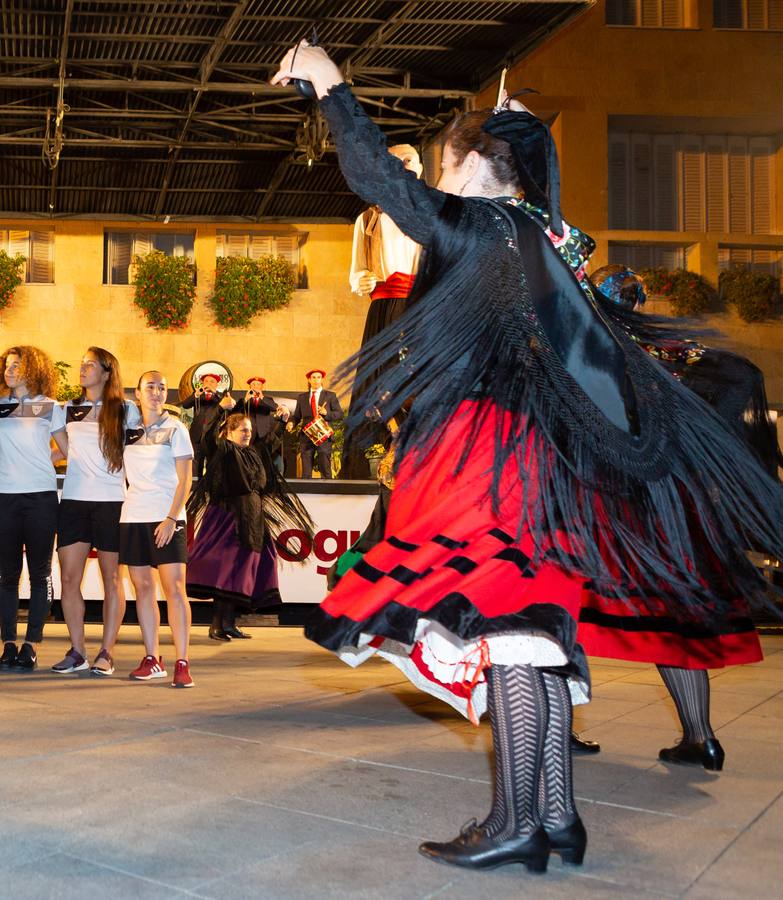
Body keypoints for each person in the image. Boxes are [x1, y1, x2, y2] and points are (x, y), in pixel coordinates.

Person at [274, 40, 783, 873]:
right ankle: (551, 816)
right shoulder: (538, 244)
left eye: (448, 159)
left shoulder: (479, 226)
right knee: (532, 637)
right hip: (541, 463)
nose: (440, 174)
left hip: (485, 458)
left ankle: (517, 821)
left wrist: (330, 87)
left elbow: (376, 180)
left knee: (508, 631)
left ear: (480, 167)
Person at [572, 266, 783, 770]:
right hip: (674, 509)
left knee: (563, 611)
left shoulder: (587, 348)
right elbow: (740, 376)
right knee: (671, 620)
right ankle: (700, 736)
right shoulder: (669, 353)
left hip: (611, 504)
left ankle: (559, 729)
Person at [54, 347, 141, 676]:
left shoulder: (126, 410)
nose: (83, 368)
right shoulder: (69, 409)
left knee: (111, 580)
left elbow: (138, 454)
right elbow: (64, 451)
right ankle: (77, 651)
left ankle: (106, 651)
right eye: (82, 362)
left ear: (107, 373)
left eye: (90, 364)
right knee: (68, 578)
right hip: (74, 501)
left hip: (111, 503)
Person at [188, 412, 310, 642]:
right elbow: (209, 440)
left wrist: (281, 423)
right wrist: (217, 418)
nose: (247, 434)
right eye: (243, 430)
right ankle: (217, 625)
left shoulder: (252, 454)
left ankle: (229, 623)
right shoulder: (224, 450)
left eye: (249, 431)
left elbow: (268, 444)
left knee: (241, 572)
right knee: (225, 571)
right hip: (229, 517)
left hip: (251, 516)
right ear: (229, 432)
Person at [343, 144, 424, 479]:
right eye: (395, 161)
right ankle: (364, 465)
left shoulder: (432, 211)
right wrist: (363, 280)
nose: (403, 165)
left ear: (420, 168)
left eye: (409, 160)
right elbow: (357, 270)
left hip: (421, 303)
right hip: (386, 303)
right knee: (376, 377)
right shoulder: (368, 218)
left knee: (422, 374)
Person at [0, 346, 67, 672]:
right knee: (8, 575)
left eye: (17, 365)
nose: (10, 370)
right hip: (4, 496)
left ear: (32, 369)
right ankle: (8, 644)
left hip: (41, 498)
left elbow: (66, 450)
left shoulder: (48, 407)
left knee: (40, 574)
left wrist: (39, 463)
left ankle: (32, 645)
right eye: (7, 365)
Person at [120, 371, 196, 688]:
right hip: (133, 516)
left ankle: (182, 661)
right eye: (150, 387)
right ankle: (153, 658)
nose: (156, 392)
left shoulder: (176, 429)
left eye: (162, 388)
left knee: (175, 590)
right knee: (144, 590)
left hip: (167, 518)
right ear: (138, 393)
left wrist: (170, 518)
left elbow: (185, 481)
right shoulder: (126, 430)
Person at [180, 371, 235, 477]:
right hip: (197, 434)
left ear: (217, 385)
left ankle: (209, 490)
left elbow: (225, 409)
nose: (208, 383)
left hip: (212, 435)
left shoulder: (220, 398)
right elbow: (185, 405)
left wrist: (214, 393)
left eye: (212, 382)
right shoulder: (197, 396)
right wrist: (196, 394)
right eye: (206, 381)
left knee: (212, 465)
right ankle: (196, 490)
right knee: (195, 465)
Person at [290, 369, 343, 478]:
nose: (316, 380)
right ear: (309, 380)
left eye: (318, 377)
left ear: (322, 379)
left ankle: (327, 490)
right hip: (307, 435)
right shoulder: (302, 397)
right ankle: (306, 491)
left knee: (324, 463)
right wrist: (291, 423)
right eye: (313, 377)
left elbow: (339, 414)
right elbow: (297, 416)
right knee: (306, 468)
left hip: (323, 434)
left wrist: (326, 413)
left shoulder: (330, 396)